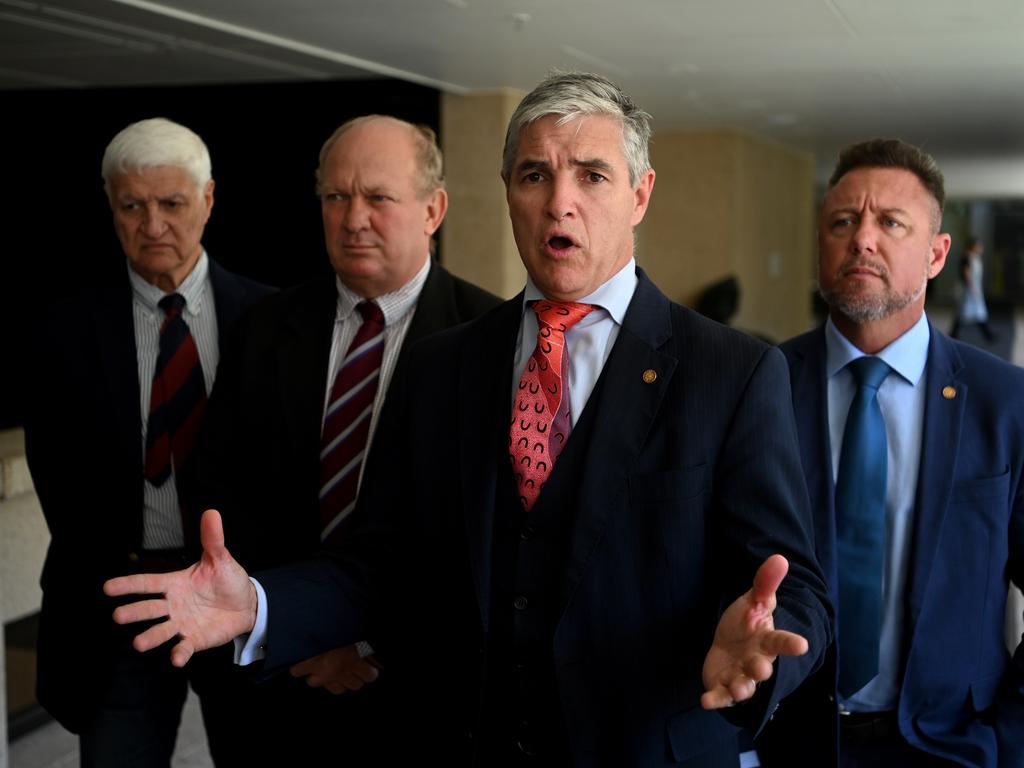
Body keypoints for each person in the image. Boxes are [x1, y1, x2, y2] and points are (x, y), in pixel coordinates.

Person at [105, 73, 832, 766]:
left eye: (592, 175)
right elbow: (379, 564)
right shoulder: (442, 365)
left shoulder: (731, 371)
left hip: (640, 747)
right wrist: (261, 603)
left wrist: (765, 646)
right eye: (534, 175)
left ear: (640, 195)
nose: (560, 203)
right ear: (509, 192)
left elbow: (790, 582)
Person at [192, 114, 500, 763]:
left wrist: (366, 640)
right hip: (277, 681)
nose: (353, 217)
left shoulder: (494, 341)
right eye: (336, 196)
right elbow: (221, 485)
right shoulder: (263, 326)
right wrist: (298, 628)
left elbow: (486, 537)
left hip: (426, 695)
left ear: (433, 209)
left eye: (378, 197)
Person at [759, 139, 1024, 767]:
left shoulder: (1005, 402)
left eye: (891, 223)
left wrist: (1011, 740)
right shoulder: (758, 385)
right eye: (843, 222)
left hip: (954, 746)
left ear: (937, 255)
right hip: (785, 745)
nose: (863, 240)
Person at [22, 117, 273, 766]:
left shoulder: (272, 320)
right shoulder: (62, 330)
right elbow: (57, 476)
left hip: (237, 599)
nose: (153, 224)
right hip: (118, 607)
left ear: (209, 200)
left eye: (172, 203)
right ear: (111, 206)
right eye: (133, 205)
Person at [950, 237, 998, 342]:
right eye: (979, 246)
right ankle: (954, 334)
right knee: (966, 313)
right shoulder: (966, 258)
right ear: (973, 247)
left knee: (975, 313)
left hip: (973, 289)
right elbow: (967, 274)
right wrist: (973, 288)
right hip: (968, 290)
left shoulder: (974, 257)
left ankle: (987, 334)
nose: (981, 249)